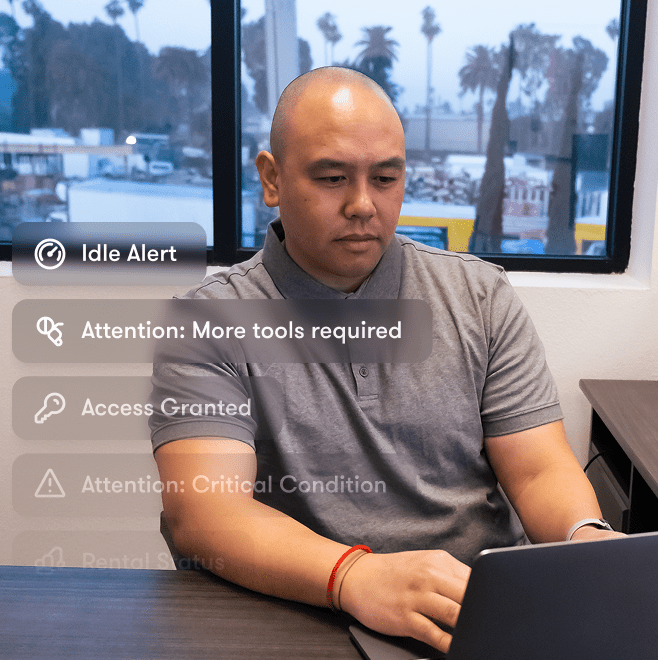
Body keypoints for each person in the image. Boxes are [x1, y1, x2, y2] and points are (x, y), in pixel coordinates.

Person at [150, 67, 618, 654]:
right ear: (271, 178)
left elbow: (539, 469)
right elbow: (206, 514)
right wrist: (353, 576)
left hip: (467, 615)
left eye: (386, 178)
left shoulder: (479, 297)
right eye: (332, 177)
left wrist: (585, 538)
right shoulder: (209, 321)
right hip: (297, 616)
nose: (362, 205)